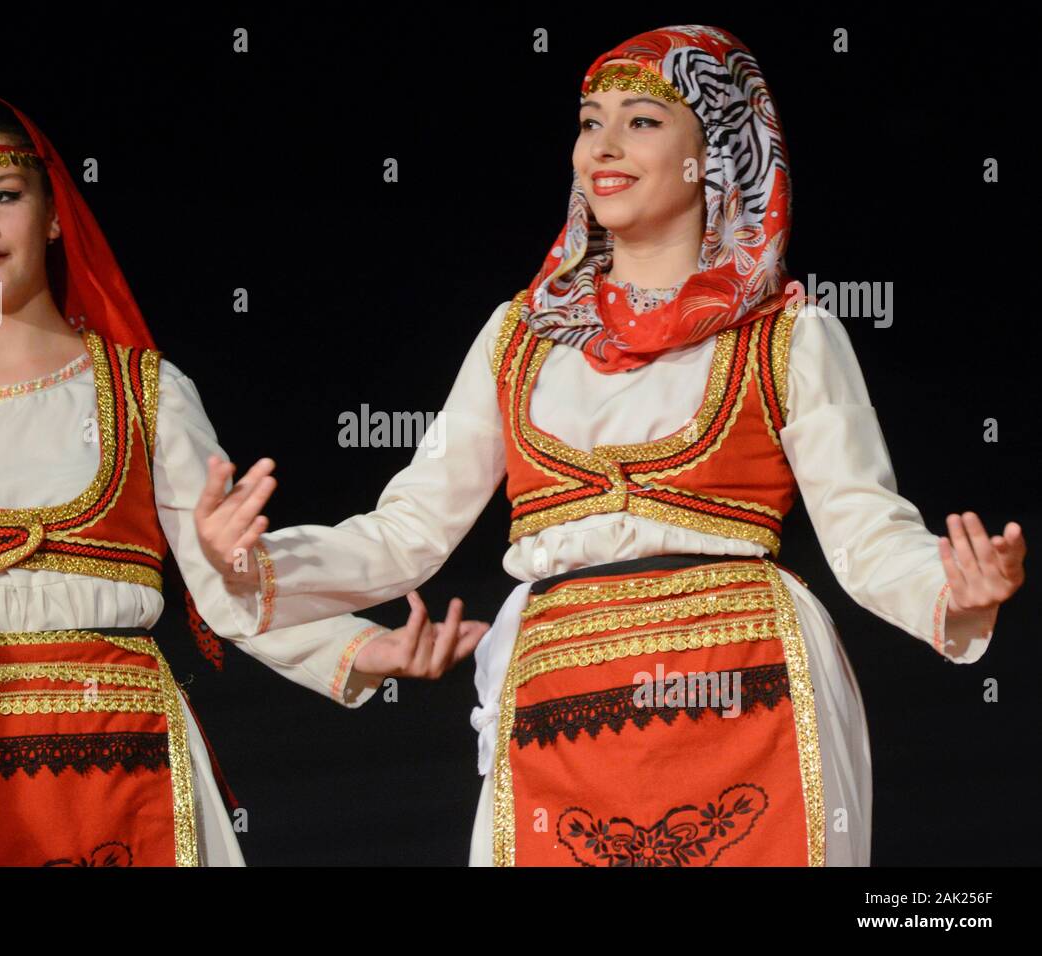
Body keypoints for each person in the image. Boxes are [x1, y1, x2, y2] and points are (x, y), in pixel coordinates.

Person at [193, 25, 1026, 866]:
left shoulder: (788, 335)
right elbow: (409, 529)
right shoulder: (520, 336)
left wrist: (954, 593)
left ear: (720, 150)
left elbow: (866, 530)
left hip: (753, 696)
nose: (605, 146)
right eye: (591, 121)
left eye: (644, 121)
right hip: (564, 706)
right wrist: (254, 562)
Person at [0, 91, 484, 867]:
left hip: (123, 762)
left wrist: (366, 652)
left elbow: (227, 588)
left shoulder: (145, 393)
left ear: (54, 213)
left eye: (3, 196)